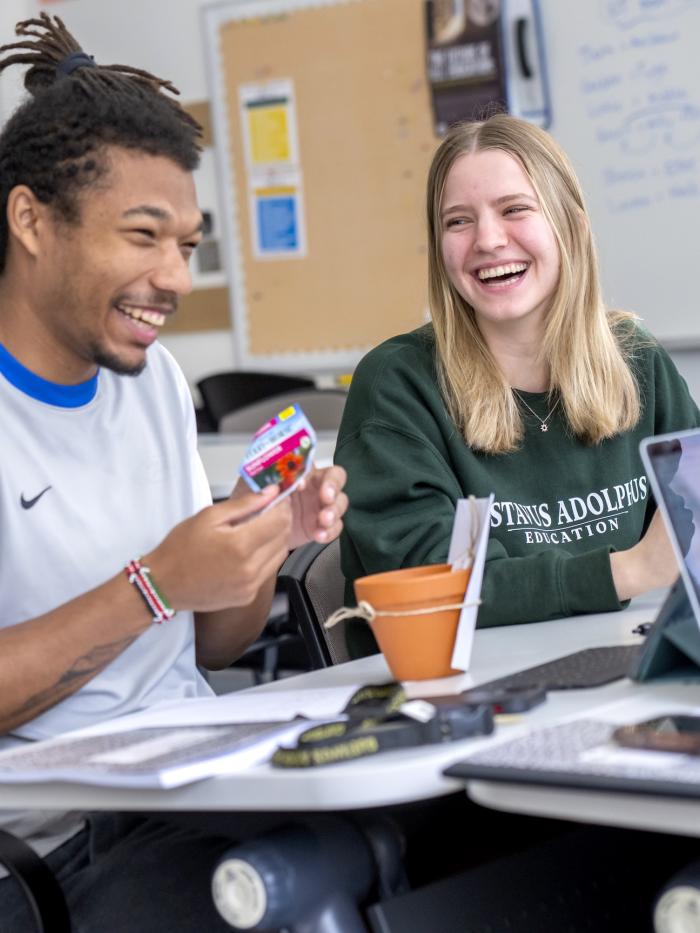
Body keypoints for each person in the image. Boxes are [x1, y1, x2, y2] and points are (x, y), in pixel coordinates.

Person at [0, 14, 347, 932]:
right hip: (57, 840)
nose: (175, 276)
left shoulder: (152, 381)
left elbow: (209, 647)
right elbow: (156, 603)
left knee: (441, 841)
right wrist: (156, 584)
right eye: (144, 235)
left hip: (198, 772)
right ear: (30, 218)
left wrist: (260, 535)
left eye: (187, 245)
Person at [335, 112, 699, 658]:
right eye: (457, 221)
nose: (487, 239)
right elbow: (433, 589)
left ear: (570, 226)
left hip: (614, 662)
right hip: (455, 692)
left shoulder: (635, 358)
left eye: (514, 210)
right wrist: (629, 570)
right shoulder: (397, 384)